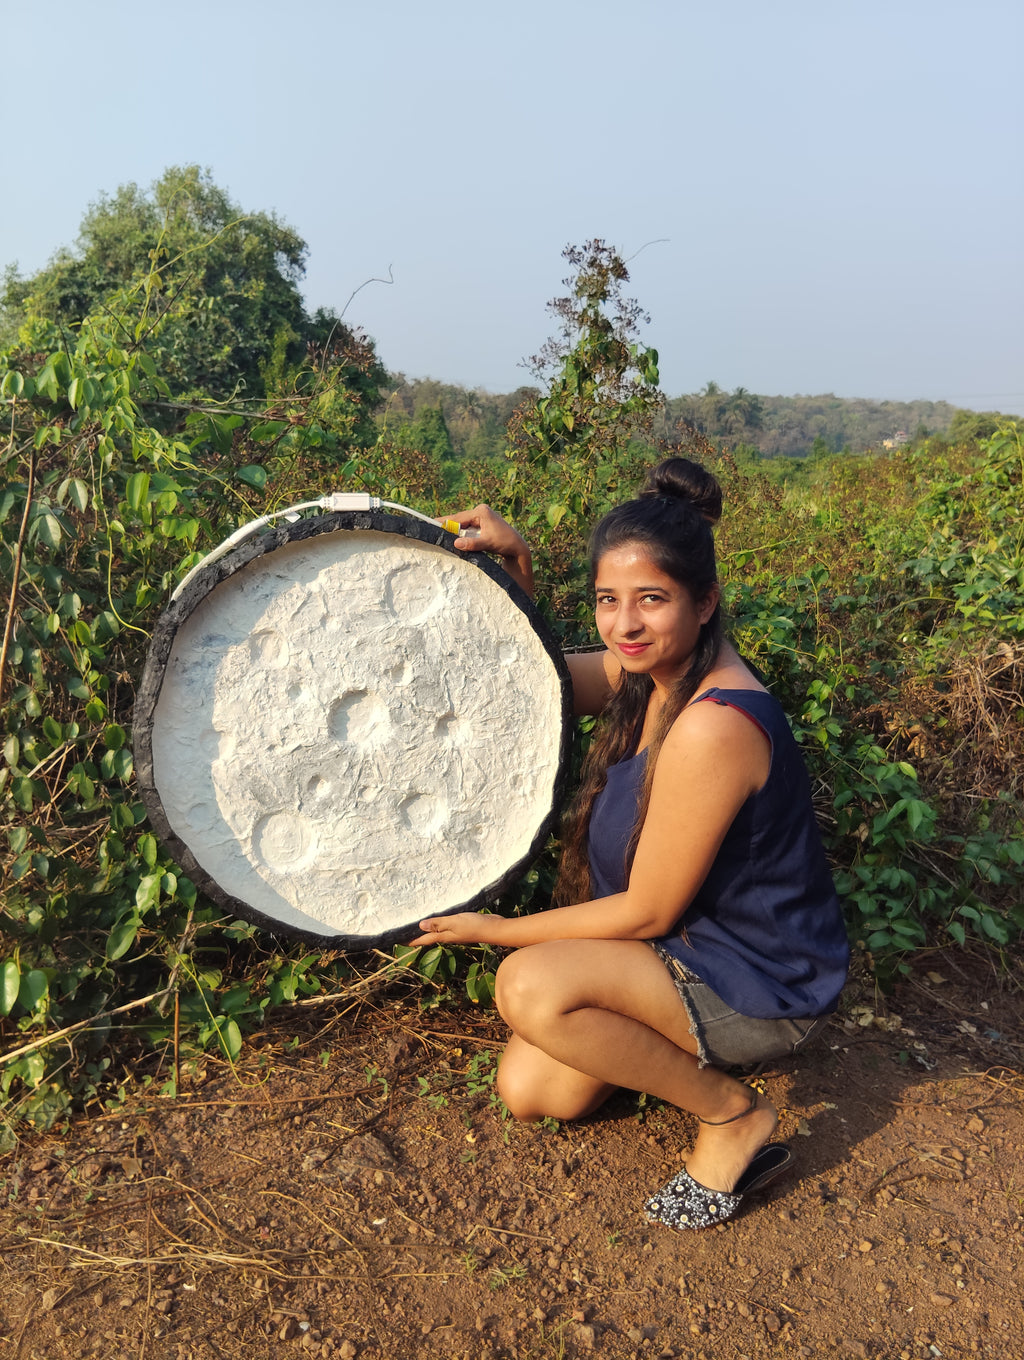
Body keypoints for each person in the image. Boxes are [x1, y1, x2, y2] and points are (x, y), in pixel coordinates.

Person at [410, 458, 849, 1230]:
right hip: (681, 947)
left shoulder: (714, 723)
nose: (625, 625)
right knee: (532, 1092)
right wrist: (519, 575)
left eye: (652, 600)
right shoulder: (646, 673)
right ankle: (665, 1050)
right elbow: (530, 684)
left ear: (706, 601)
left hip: (757, 977)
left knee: (527, 986)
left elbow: (646, 910)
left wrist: (504, 933)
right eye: (608, 602)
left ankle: (732, 1116)